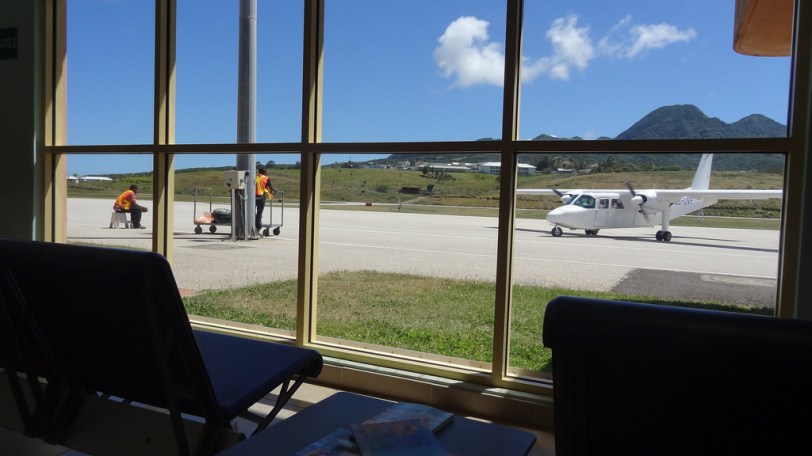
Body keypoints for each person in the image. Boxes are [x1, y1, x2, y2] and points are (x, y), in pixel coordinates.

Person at [255, 167, 277, 232]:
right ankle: (258, 228)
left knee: (251, 213)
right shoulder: (266, 178)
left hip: (252, 197)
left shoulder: (255, 177)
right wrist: (274, 190)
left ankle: (253, 224)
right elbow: (271, 187)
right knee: (259, 213)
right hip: (261, 197)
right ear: (264, 172)